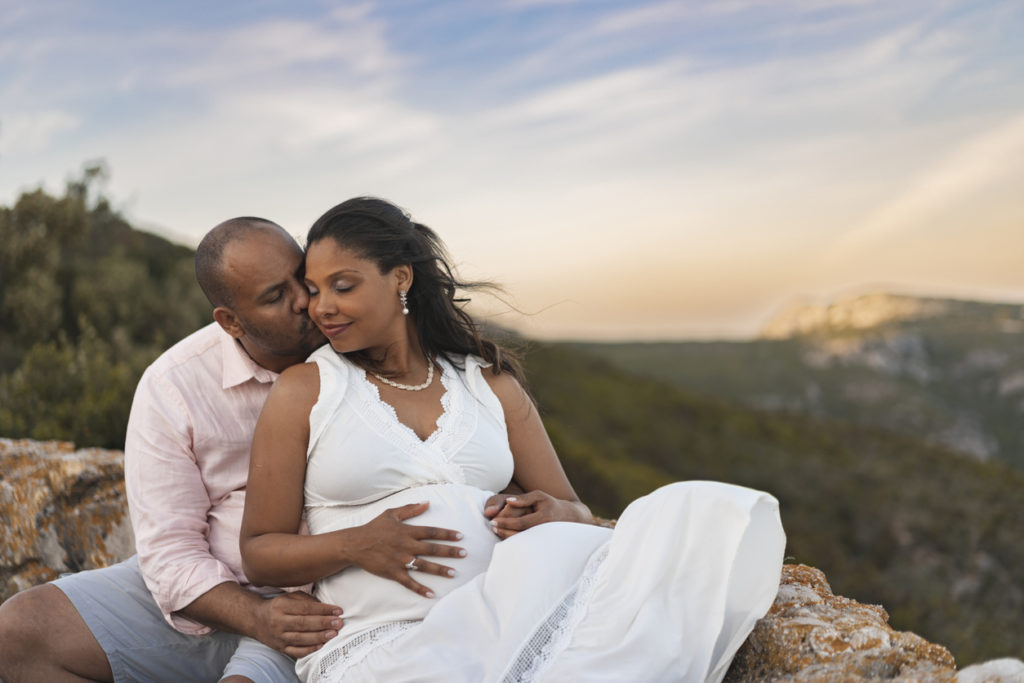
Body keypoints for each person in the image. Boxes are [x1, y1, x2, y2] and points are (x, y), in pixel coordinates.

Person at [239, 197, 787, 683]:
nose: (321, 307)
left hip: (513, 612)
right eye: (314, 292)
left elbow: (575, 509)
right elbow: (260, 553)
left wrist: (550, 513)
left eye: (343, 285)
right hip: (379, 642)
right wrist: (354, 544)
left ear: (401, 279)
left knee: (696, 514)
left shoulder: (488, 383)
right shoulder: (306, 390)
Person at [0, 217, 340, 683]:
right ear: (231, 321)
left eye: (300, 277)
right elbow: (169, 553)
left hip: (323, 600)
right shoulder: (174, 384)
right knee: (17, 633)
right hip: (217, 596)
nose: (304, 300)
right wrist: (256, 617)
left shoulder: (350, 344)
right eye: (275, 296)